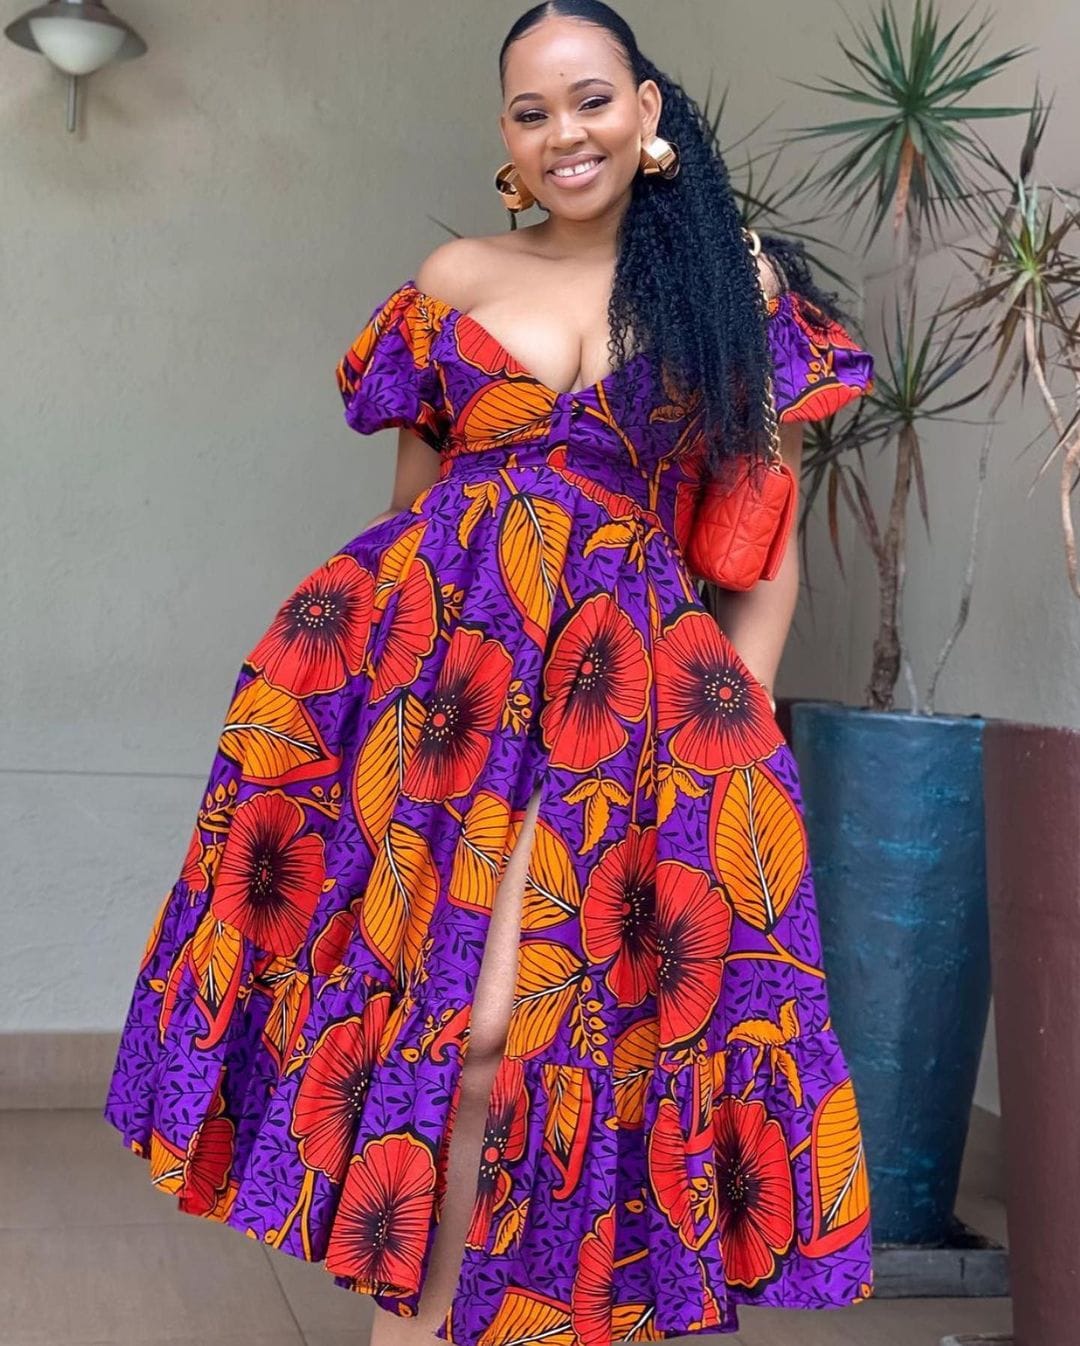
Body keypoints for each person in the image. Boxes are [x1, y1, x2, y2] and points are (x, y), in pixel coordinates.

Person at [103, 4, 877, 1344]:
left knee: (518, 1032)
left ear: (647, 112)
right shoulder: (456, 276)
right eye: (531, 112)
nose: (563, 132)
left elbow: (762, 553)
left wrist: (735, 742)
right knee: (446, 1045)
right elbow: (412, 522)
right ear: (507, 142)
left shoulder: (728, 298)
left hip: (627, 719)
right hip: (445, 702)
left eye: (589, 100)